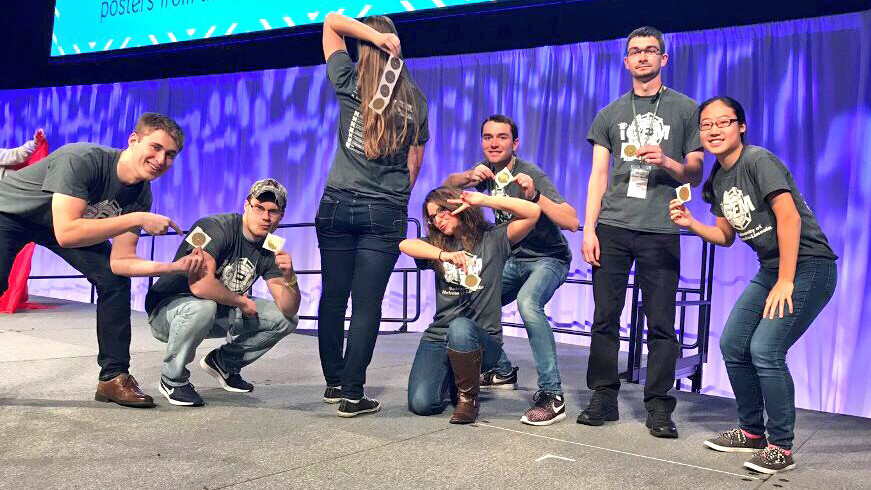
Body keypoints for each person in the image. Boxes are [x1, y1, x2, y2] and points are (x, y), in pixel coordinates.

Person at [669, 96, 837, 473]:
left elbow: (789, 219)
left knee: (765, 348)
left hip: (809, 265)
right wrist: (691, 224)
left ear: (740, 126)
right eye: (706, 125)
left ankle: (781, 446)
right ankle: (751, 431)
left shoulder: (757, 160)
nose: (713, 130)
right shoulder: (717, 179)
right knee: (732, 343)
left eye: (723, 122)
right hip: (771, 269)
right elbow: (726, 236)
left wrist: (787, 280)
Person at [0, 113, 197, 408]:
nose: (161, 159)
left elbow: (122, 262)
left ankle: (113, 378)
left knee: (113, 281)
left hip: (58, 225)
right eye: (155, 147)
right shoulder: (83, 159)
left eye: (170, 155)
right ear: (134, 140)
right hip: (10, 213)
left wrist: (173, 268)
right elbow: (67, 232)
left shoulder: (141, 194)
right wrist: (137, 218)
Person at [579, 26, 704, 438]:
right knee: (604, 317)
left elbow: (697, 170)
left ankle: (659, 404)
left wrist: (667, 162)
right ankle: (603, 395)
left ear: (663, 59)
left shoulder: (686, 109)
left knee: (662, 322)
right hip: (613, 226)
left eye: (651, 51)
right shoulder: (611, 113)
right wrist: (589, 229)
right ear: (627, 61)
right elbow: (598, 177)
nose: (643, 57)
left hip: (659, 227)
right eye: (635, 52)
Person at [317, 12, 429, 417]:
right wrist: (395, 197)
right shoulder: (415, 99)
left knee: (333, 297)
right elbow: (415, 163)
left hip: (336, 203)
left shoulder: (349, 81)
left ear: (365, 46)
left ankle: (333, 383)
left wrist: (369, 36)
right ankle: (351, 392)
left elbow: (331, 21)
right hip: (383, 210)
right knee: (366, 305)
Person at [443, 115, 579, 425]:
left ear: (514, 143)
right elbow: (444, 189)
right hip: (511, 261)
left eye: (502, 137)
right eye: (488, 136)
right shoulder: (484, 173)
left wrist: (534, 196)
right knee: (469, 302)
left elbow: (571, 221)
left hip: (548, 258)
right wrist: (464, 177)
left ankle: (552, 395)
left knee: (528, 304)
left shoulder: (529, 173)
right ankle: (502, 371)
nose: (493, 142)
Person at [144, 179, 301, 406]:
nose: (266, 217)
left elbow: (289, 308)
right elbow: (200, 286)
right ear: (246, 205)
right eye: (259, 208)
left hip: (220, 310)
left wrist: (290, 277)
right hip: (169, 312)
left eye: (273, 211)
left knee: (285, 320)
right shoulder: (211, 227)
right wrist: (240, 301)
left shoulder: (271, 246)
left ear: (281, 216)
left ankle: (225, 363)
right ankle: (172, 378)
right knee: (203, 305)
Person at [403, 187, 539, 424]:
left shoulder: (493, 239)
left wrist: (485, 200)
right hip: (439, 337)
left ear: (457, 206)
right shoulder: (437, 244)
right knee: (422, 404)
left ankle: (468, 400)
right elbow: (405, 245)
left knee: (461, 327)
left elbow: (533, 212)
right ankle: (456, 378)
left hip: (482, 342)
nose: (438, 221)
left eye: (442, 212)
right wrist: (443, 255)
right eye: (432, 217)